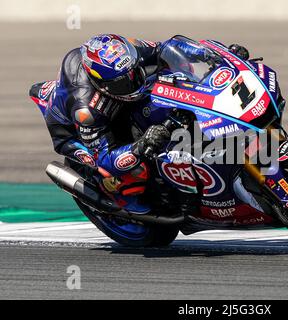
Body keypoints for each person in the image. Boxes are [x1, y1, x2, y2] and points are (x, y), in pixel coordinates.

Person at [30, 34, 249, 215]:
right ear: (102, 84)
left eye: (134, 72)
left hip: (116, 103)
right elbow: (105, 156)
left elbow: (167, 50)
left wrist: (219, 57)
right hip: (76, 134)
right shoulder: (85, 109)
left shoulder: (127, 52)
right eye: (124, 81)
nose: (134, 80)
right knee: (132, 167)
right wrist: (141, 145)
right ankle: (121, 195)